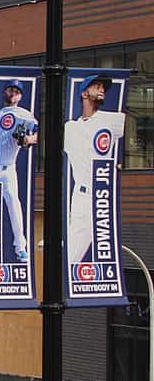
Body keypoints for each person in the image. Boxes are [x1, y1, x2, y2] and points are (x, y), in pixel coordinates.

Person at [0, 78, 39, 262]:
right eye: (11, 90)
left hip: (6, 170)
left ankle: (21, 248)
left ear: (20, 96)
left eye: (16, 91)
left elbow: (38, 130)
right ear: (5, 92)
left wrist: (29, 140)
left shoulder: (23, 114)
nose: (13, 93)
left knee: (14, 206)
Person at [65, 74, 125, 264]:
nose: (101, 90)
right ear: (84, 93)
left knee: (105, 251)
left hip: (101, 196)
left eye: (103, 88)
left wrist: (122, 162)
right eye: (96, 86)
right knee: (71, 257)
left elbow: (135, 132)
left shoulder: (111, 120)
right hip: (80, 195)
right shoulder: (71, 127)